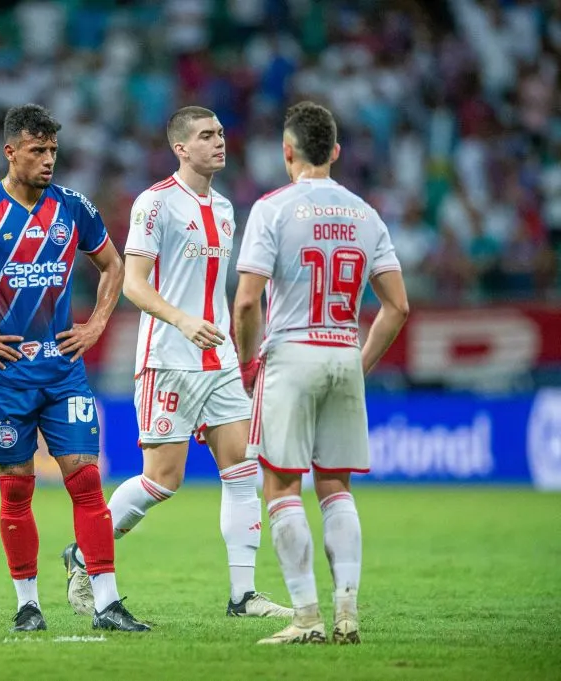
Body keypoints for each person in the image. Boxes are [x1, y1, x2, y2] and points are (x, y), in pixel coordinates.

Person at [59, 106, 292, 620]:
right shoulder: (155, 204)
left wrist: (233, 343)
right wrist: (183, 322)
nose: (219, 142)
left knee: (242, 469)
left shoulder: (229, 209)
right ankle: (82, 552)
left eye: (222, 133)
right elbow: (133, 285)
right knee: (163, 479)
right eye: (207, 136)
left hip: (220, 358)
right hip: (167, 358)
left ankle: (243, 595)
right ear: (181, 148)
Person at [0, 103, 148, 633]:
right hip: (6, 374)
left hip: (64, 369)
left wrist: (95, 325)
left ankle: (107, 603)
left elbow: (114, 265)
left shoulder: (74, 208)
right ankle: (28, 603)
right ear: (10, 152)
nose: (49, 160)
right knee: (16, 487)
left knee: (87, 482)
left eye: (53, 150)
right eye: (37, 151)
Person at [233, 101, 409, 645]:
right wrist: (358, 363)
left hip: (291, 354)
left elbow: (246, 302)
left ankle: (306, 617)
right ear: (334, 151)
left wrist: (246, 363)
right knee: (336, 487)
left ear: (287, 151)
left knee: (281, 486)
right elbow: (397, 307)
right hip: (341, 351)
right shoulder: (366, 213)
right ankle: (347, 613)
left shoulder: (272, 208)